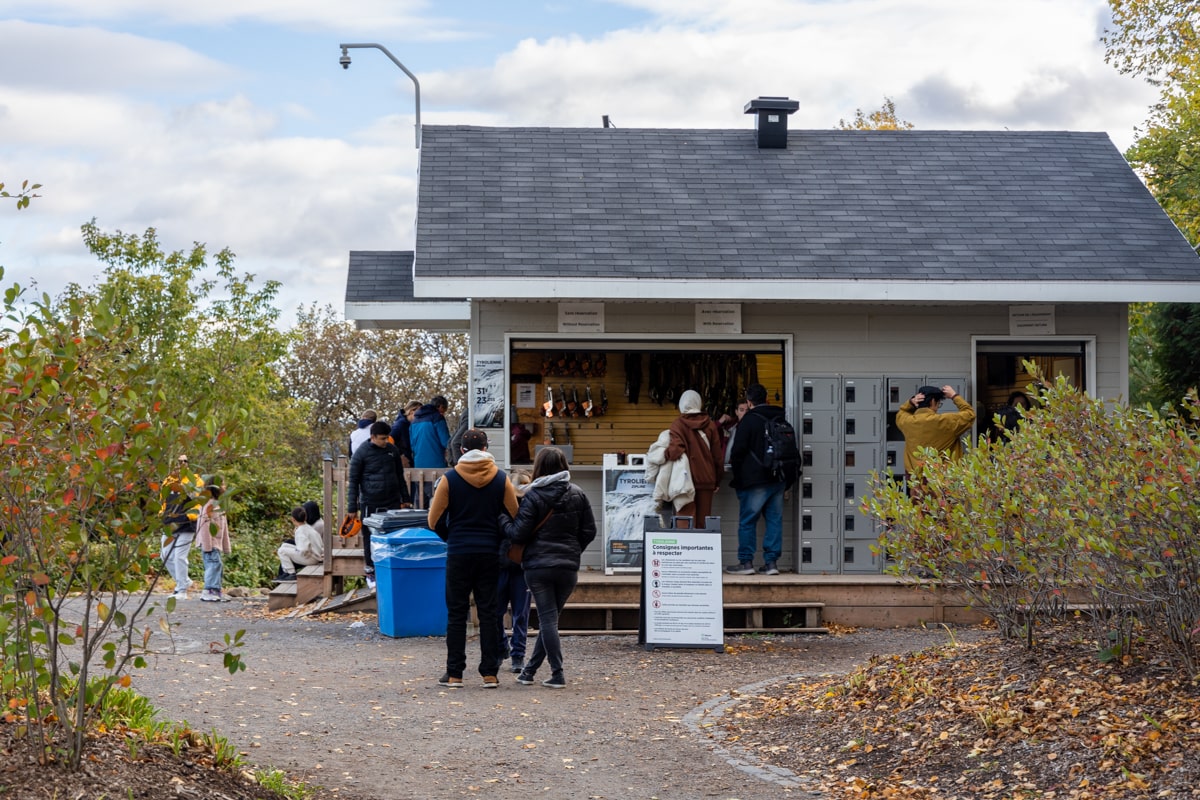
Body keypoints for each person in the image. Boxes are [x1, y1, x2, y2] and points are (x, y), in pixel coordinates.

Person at [428, 428, 519, 689]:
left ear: (463, 451)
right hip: (489, 553)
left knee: (457, 613)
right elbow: (515, 514)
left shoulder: (450, 479)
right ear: (486, 449)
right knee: (489, 613)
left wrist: (451, 536)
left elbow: (433, 520)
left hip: (458, 553)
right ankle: (489, 673)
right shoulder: (501, 479)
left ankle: (455, 673)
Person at [501, 446, 596, 689]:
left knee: (548, 620)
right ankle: (529, 671)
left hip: (538, 567)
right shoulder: (578, 493)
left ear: (539, 467)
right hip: (568, 568)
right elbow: (589, 531)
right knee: (550, 619)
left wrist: (502, 520)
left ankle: (557, 673)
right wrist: (573, 552)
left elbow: (518, 534)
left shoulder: (534, 495)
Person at [726, 384, 787, 576]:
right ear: (767, 398)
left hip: (754, 481)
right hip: (778, 478)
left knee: (748, 521)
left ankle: (746, 563)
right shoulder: (780, 418)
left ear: (749, 402)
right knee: (774, 520)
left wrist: (739, 476)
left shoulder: (748, 421)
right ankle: (771, 564)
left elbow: (737, 452)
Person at [346, 421, 412, 589]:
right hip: (370, 501)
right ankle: (370, 571)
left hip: (392, 499)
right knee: (370, 536)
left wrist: (405, 498)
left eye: (387, 438)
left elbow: (399, 475)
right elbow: (353, 482)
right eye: (382, 439)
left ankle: (393, 567)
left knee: (394, 534)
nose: (385, 441)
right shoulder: (361, 454)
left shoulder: (392, 450)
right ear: (373, 437)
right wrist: (352, 508)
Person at [666, 389, 724, 526]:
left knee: (685, 524)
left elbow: (674, 453)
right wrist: (717, 481)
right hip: (706, 480)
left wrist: (665, 453)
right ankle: (702, 547)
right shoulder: (709, 424)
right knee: (703, 525)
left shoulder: (678, 425)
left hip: (685, 481)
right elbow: (717, 456)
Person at [496, 469, 533, 674]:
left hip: (507, 564)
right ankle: (512, 652)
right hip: (517, 564)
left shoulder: (498, 506)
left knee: (504, 613)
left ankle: (512, 651)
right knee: (519, 614)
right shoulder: (532, 505)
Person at [895, 384, 977, 476]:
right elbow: (970, 414)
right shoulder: (945, 421)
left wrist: (910, 402)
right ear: (933, 401)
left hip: (917, 482)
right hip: (943, 481)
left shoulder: (907, 422)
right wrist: (954, 396)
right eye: (938, 404)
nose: (938, 407)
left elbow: (901, 412)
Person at [161, 454, 203, 599]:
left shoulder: (195, 480)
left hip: (186, 523)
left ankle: (181, 590)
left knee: (180, 557)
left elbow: (199, 500)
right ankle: (184, 581)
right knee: (165, 555)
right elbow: (164, 501)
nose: (182, 463)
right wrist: (162, 513)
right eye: (179, 461)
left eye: (185, 461)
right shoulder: (168, 481)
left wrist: (191, 515)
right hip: (170, 523)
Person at [411, 395, 452, 506]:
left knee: (420, 501)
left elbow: (412, 444)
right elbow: (446, 441)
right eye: (444, 410)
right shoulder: (437, 418)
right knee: (437, 500)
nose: (443, 413)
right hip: (435, 464)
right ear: (440, 407)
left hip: (418, 465)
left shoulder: (415, 420)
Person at [196, 481, 232, 602]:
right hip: (210, 543)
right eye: (222, 484)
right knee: (213, 565)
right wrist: (207, 545)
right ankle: (208, 590)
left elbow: (223, 528)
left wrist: (226, 546)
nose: (224, 487)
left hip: (216, 543)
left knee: (217, 565)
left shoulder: (218, 505)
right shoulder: (209, 505)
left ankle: (216, 590)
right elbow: (204, 526)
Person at [277, 506, 324, 581]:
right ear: (305, 518)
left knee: (281, 551)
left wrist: (295, 554)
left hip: (310, 558)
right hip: (316, 555)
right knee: (285, 545)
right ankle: (285, 572)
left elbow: (303, 550)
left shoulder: (300, 531)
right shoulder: (308, 528)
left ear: (293, 519)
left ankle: (291, 573)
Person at [389, 400, 422, 468]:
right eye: (420, 412)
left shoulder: (410, 425)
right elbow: (389, 441)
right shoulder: (400, 425)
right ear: (411, 411)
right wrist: (400, 456)